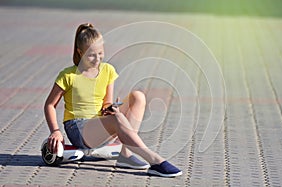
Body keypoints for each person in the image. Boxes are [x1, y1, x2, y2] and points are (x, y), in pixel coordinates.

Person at [44, 23, 182, 177]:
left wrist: (111, 108)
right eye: (91, 55)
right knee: (117, 119)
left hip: (98, 124)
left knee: (138, 97)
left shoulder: (107, 70)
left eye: (101, 53)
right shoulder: (68, 75)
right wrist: (55, 131)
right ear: (79, 51)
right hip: (78, 128)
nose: (97, 59)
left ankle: (126, 154)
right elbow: (49, 105)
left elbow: (106, 103)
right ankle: (155, 160)